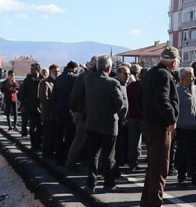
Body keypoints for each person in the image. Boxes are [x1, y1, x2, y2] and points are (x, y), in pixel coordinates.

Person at [140, 46, 180, 207]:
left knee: (153, 164)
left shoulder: (151, 73)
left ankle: (147, 200)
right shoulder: (164, 75)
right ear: (173, 62)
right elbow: (163, 99)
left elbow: (139, 97)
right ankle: (155, 202)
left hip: (150, 123)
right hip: (159, 125)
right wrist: (171, 119)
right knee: (160, 164)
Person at [83, 56, 127, 192]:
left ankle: (91, 183)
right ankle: (108, 182)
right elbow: (120, 104)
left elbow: (89, 72)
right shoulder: (112, 83)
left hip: (92, 122)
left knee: (93, 155)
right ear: (109, 68)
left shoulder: (89, 79)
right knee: (108, 156)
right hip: (108, 123)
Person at [175, 68, 196, 187]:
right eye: (190, 76)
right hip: (183, 127)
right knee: (182, 153)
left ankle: (195, 176)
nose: (193, 78)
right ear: (182, 79)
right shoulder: (177, 91)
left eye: (193, 76)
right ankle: (181, 177)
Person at [52, 62, 79, 166]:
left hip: (59, 109)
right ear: (74, 68)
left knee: (59, 134)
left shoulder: (58, 79)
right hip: (70, 111)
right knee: (69, 136)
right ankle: (67, 158)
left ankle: (58, 158)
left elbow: (54, 96)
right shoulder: (75, 79)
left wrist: (56, 109)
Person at [125, 67, 146, 173]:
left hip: (132, 117)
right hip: (145, 119)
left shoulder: (131, 86)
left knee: (132, 143)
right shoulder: (149, 86)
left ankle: (132, 164)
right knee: (150, 143)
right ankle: (151, 164)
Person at [19, 64, 43, 148]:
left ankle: (39, 143)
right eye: (31, 69)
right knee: (32, 126)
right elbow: (22, 94)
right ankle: (33, 144)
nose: (31, 71)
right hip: (31, 107)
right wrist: (23, 105)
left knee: (40, 126)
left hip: (41, 108)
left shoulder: (43, 80)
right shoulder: (28, 80)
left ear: (38, 70)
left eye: (33, 69)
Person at [39, 64, 60, 158]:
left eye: (58, 71)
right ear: (51, 71)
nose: (57, 73)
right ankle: (46, 154)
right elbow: (44, 99)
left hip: (56, 113)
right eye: (55, 71)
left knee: (54, 134)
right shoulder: (45, 83)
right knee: (48, 134)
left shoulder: (57, 82)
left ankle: (52, 152)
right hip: (48, 114)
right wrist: (50, 112)